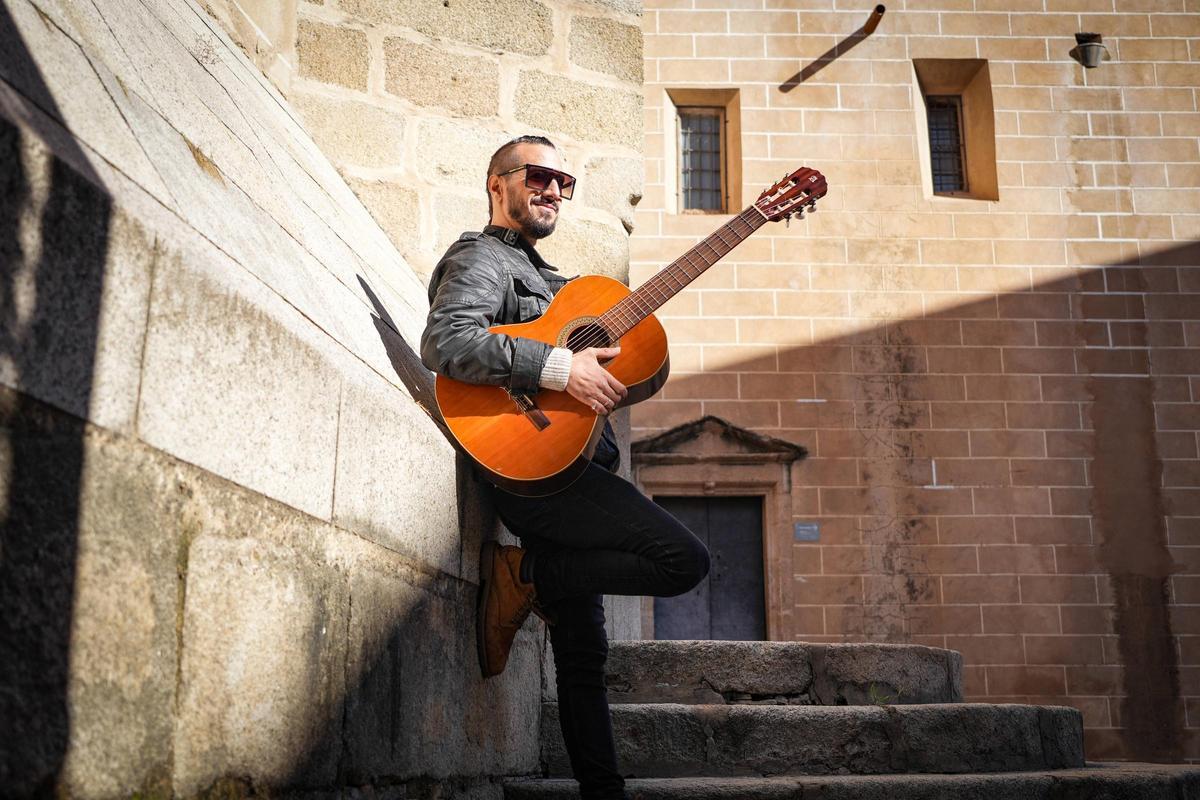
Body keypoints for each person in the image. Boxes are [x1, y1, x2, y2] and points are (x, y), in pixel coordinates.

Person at [420, 135, 710, 800]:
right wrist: (559, 368)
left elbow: (617, 350)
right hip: (537, 471)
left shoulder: (560, 286)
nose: (554, 190)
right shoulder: (482, 257)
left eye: (566, 183)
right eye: (540, 176)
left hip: (571, 464)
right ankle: (528, 573)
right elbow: (447, 341)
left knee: (583, 659)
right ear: (499, 183)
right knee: (682, 560)